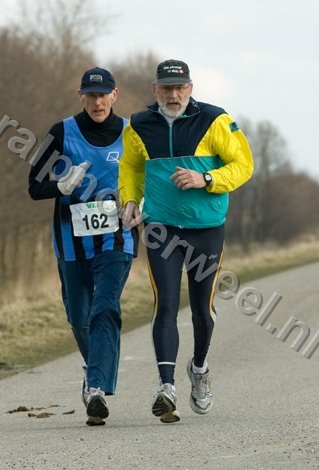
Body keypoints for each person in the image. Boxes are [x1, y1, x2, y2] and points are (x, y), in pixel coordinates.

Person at [119, 59, 254, 424]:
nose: (173, 95)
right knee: (164, 303)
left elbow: (243, 165)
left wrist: (206, 178)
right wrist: (130, 198)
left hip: (206, 228)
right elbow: (130, 166)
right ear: (155, 89)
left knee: (201, 310)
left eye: (180, 88)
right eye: (166, 88)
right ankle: (166, 387)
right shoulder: (138, 124)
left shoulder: (215, 120)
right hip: (161, 229)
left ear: (191, 88)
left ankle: (199, 369)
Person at [29, 66, 138, 426]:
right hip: (70, 242)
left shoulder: (131, 133)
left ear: (115, 95)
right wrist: (59, 187)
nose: (97, 101)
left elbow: (148, 179)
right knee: (79, 317)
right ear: (81, 97)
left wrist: (141, 207)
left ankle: (95, 389)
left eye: (103, 94)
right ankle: (94, 374)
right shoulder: (62, 132)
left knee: (104, 307)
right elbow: (33, 186)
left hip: (116, 238)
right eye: (90, 95)